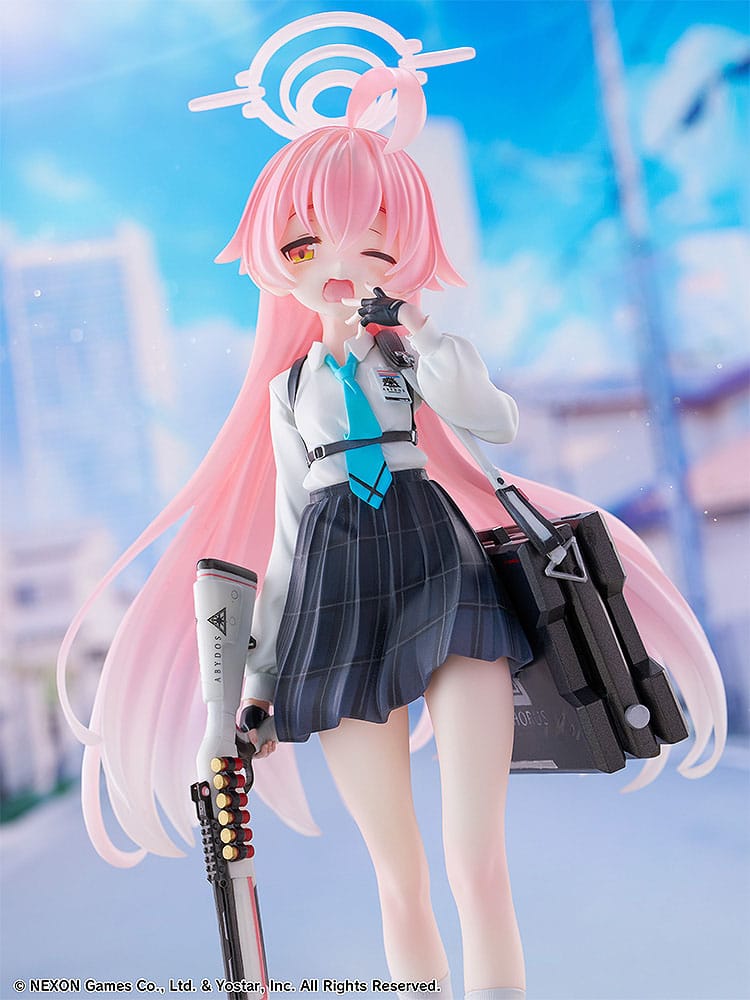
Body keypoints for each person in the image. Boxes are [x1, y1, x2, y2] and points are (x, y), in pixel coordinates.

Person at [58, 45, 726, 1000]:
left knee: (476, 865)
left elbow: (493, 423)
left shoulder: (412, 355)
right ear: (275, 258)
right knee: (398, 878)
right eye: (306, 245)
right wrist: (254, 689)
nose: (337, 265)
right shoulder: (288, 392)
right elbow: (284, 539)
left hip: (442, 574)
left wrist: (424, 339)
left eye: (370, 239)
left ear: (403, 248)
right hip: (333, 598)